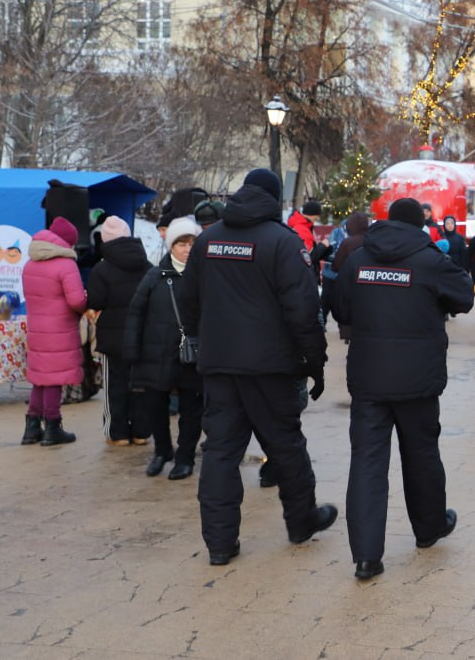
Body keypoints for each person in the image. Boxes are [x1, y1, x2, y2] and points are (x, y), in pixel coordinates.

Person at [176, 168, 334, 566]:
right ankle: (301, 521)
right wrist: (315, 363)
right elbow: (303, 310)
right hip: (270, 367)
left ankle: (219, 543)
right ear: (275, 198)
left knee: (220, 453)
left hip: (220, 365)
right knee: (286, 446)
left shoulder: (208, 240)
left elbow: (187, 299)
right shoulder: (283, 243)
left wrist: (201, 339)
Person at [333, 197, 473, 580]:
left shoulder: (359, 260)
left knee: (367, 463)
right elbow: (464, 297)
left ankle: (366, 556)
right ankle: (428, 529)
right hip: (417, 380)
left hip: (369, 380)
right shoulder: (430, 260)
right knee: (422, 454)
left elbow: (340, 308)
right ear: (419, 225)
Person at [123, 217, 205, 480]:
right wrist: (131, 351)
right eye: (182, 243)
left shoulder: (206, 277)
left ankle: (185, 457)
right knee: (155, 405)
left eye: (192, 243)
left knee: (192, 409)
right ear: (171, 245)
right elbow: (135, 313)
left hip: (192, 355)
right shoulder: (154, 276)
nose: (187, 248)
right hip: (156, 354)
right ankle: (162, 451)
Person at [85, 215, 152, 447]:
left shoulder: (102, 269)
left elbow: (95, 300)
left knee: (115, 385)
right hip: (143, 335)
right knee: (141, 385)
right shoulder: (147, 264)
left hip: (113, 339)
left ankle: (118, 433)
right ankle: (142, 432)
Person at [19, 217, 87, 447]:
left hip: (37, 329)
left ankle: (31, 427)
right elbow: (76, 300)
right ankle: (52, 427)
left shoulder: (30, 264)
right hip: (60, 329)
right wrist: (86, 303)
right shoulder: (66, 265)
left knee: (40, 378)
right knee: (55, 380)